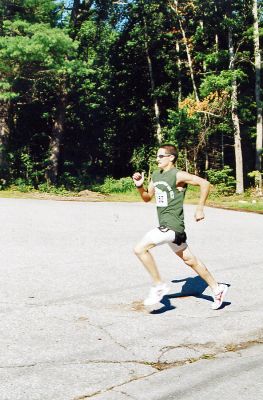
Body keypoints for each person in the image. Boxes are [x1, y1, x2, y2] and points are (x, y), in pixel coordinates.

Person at [132, 144, 228, 310]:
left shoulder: (178, 175)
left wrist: (199, 208)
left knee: (140, 249)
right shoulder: (155, 175)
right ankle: (217, 288)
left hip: (172, 225)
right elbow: (147, 198)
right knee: (190, 260)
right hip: (167, 226)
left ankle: (158, 285)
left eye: (161, 156)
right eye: (157, 156)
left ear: (171, 157)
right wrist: (140, 186)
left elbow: (205, 184)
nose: (157, 159)